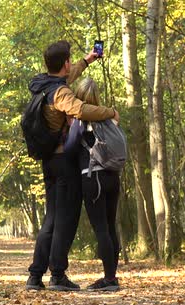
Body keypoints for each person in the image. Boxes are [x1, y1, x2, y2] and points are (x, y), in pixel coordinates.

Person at [25, 41, 120, 291]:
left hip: (49, 161)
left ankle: (35, 276)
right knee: (64, 220)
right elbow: (80, 109)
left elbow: (68, 78)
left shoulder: (42, 84)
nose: (71, 65)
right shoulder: (61, 94)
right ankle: (57, 275)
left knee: (52, 219)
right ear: (64, 63)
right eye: (70, 61)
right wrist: (110, 112)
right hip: (64, 162)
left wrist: (87, 60)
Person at [67, 78, 122, 291]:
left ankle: (108, 280)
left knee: (101, 229)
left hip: (93, 179)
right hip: (112, 177)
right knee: (110, 227)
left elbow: (71, 148)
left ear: (79, 97)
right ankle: (112, 276)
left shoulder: (80, 122)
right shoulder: (109, 119)